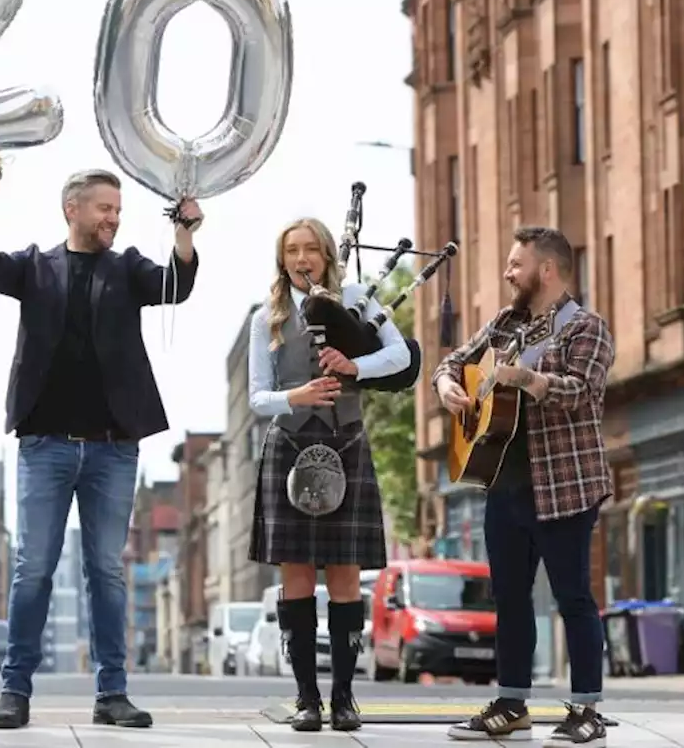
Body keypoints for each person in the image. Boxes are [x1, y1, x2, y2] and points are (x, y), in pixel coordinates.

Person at [0, 155, 202, 730]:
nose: (113, 219)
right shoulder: (34, 267)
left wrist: (184, 233)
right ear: (72, 209)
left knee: (106, 571)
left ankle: (112, 694)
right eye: (104, 208)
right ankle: (14, 692)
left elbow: (177, 285)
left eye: (118, 210)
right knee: (34, 568)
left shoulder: (127, 268)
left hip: (112, 448)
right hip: (45, 446)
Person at [433, 226, 614, 747]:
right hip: (503, 486)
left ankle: (587, 710)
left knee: (573, 597)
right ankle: (512, 704)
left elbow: (580, 392)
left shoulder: (587, 328)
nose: (508, 273)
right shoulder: (505, 323)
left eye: (517, 264)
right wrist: (448, 386)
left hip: (564, 486)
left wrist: (524, 379)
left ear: (547, 270)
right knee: (510, 601)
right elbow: (452, 362)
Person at [247, 217, 412, 733]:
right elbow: (257, 397)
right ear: (283, 259)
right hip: (291, 443)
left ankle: (343, 699)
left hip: (347, 439)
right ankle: (305, 700)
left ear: (325, 256)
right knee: (295, 574)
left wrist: (353, 365)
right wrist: (296, 396)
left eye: (311, 250)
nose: (302, 259)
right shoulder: (267, 318)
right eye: (292, 251)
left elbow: (400, 357)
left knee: (343, 575)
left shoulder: (357, 299)